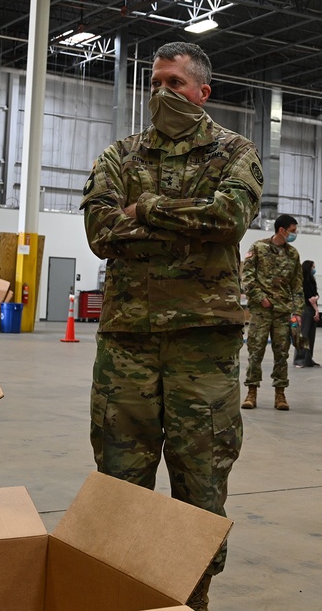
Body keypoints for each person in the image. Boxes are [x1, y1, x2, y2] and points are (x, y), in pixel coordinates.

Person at [80, 41, 263, 611]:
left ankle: (192, 597)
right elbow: (99, 230)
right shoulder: (121, 153)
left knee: (200, 479)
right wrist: (186, 220)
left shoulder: (236, 151)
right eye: (156, 82)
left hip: (202, 345)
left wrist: (146, 209)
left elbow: (230, 218)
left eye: (175, 83)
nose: (162, 93)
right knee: (118, 475)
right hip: (127, 341)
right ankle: (123, 593)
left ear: (202, 92)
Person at [241, 214, 304, 411]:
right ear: (282, 230)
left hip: (283, 311)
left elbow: (297, 285)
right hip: (261, 311)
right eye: (293, 231)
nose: (295, 234)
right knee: (255, 352)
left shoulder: (293, 254)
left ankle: (280, 394)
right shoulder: (258, 248)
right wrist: (261, 298)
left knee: (282, 353)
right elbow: (247, 278)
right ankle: (251, 392)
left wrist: (298, 311)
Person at [294, 259, 321, 368]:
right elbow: (310, 298)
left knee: (311, 335)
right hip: (304, 309)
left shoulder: (311, 280)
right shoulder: (302, 281)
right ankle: (299, 360)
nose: (314, 269)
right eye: (312, 267)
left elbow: (315, 295)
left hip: (311, 308)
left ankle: (308, 359)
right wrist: (317, 309)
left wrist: (316, 303)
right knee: (303, 335)